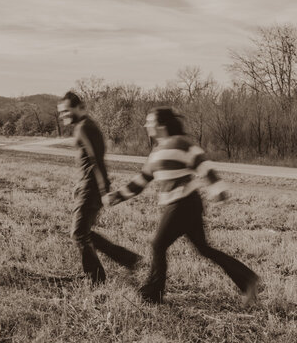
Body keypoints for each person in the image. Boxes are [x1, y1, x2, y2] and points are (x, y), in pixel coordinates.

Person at [104, 107, 259, 305]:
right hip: (184, 205)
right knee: (204, 249)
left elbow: (204, 165)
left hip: (183, 203)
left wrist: (218, 189)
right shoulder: (157, 152)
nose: (146, 126)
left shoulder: (181, 143)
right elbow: (141, 181)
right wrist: (118, 196)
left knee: (158, 244)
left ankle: (152, 294)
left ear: (161, 125)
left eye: (149, 122)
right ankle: (247, 280)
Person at [58, 91, 141, 285]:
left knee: (79, 234)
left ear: (79, 107)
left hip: (92, 188)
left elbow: (96, 161)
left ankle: (96, 279)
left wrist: (103, 191)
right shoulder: (84, 126)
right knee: (85, 232)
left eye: (66, 111)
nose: (63, 115)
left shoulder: (85, 127)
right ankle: (129, 260)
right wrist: (79, 186)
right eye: (61, 112)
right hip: (87, 187)